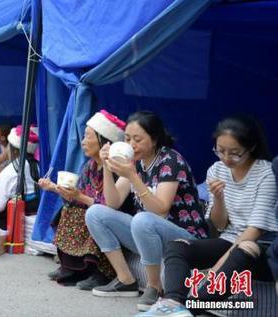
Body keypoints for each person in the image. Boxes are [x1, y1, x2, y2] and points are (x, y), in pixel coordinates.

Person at [138, 116, 278, 317]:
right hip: (229, 238)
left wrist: (216, 268)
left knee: (243, 249)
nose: (226, 158)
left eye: (235, 153)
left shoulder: (266, 174)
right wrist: (219, 198)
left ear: (252, 147)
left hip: (259, 245)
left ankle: (187, 308)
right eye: (220, 151)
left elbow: (255, 230)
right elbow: (220, 225)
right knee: (177, 245)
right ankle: (172, 302)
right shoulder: (217, 169)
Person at [85, 111, 208, 311]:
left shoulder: (170, 161)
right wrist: (107, 167)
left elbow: (160, 209)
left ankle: (154, 287)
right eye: (127, 139)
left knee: (143, 220)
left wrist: (133, 176)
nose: (131, 145)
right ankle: (126, 280)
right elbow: (113, 203)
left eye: (137, 139)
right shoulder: (136, 162)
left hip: (185, 238)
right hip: (152, 236)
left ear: (155, 139)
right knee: (95, 213)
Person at [42, 110, 129, 290]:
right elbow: (78, 196)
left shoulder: (115, 168)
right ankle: (72, 267)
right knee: (69, 210)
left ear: (104, 140)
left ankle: (102, 273)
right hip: (92, 209)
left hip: (114, 217)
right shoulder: (89, 166)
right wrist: (54, 188)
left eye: (87, 136)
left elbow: (108, 206)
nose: (82, 141)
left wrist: (78, 197)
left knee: (88, 215)